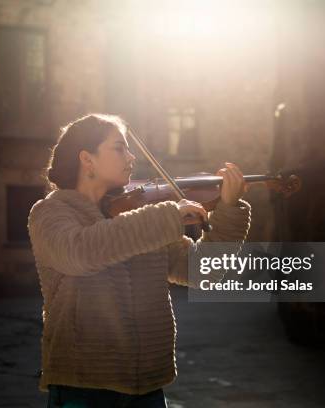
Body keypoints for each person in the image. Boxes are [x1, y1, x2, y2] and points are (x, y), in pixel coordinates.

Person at [27, 113, 251, 407]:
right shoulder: (50, 213)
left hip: (147, 388)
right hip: (82, 385)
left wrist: (230, 209)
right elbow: (80, 253)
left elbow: (201, 271)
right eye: (119, 148)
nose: (131, 156)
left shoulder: (139, 215)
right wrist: (167, 216)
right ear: (87, 159)